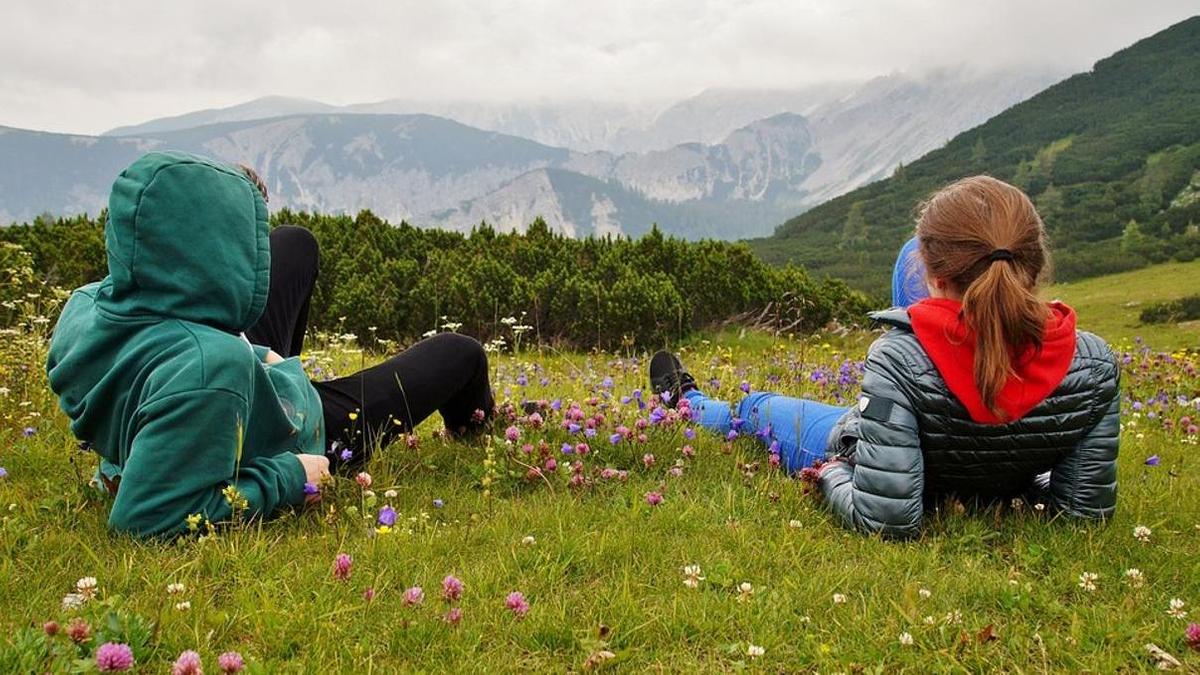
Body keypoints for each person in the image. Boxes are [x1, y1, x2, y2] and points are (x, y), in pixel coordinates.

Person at [46, 151, 494, 538]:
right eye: (241, 238)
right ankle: (476, 428)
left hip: (216, 380)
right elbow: (144, 519)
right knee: (462, 353)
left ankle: (276, 370)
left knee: (295, 243)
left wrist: (259, 356)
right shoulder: (209, 370)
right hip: (291, 432)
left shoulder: (86, 303)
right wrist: (292, 474)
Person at [651, 175, 1120, 538]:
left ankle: (685, 402)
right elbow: (1083, 512)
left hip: (887, 446)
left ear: (935, 280)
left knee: (756, 409)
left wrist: (833, 473)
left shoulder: (897, 361)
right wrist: (1013, 489)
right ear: (1032, 269)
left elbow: (885, 520)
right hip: (992, 463)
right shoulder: (1094, 361)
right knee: (907, 256)